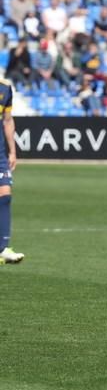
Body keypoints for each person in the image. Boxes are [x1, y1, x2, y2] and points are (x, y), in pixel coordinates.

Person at [0, 78, 25, 265]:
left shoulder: (5, 88)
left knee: (5, 195)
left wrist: (13, 150)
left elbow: (7, 120)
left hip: (0, 153)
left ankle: (3, 248)